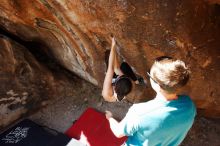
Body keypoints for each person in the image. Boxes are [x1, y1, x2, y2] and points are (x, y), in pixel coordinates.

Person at [105, 56, 196, 146]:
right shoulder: (189, 105)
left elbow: (118, 132)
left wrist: (110, 118)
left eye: (149, 75)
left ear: (157, 86)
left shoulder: (140, 113)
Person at [102, 37, 143, 102]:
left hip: (115, 87)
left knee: (111, 59)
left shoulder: (108, 91)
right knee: (122, 65)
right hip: (117, 89)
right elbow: (114, 67)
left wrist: (113, 46)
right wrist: (113, 47)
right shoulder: (108, 92)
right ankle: (136, 81)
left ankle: (136, 81)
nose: (120, 75)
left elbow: (113, 68)